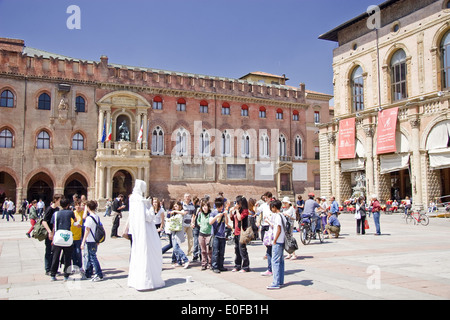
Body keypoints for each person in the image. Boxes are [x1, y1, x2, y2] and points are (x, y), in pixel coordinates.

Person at [127, 180, 165, 291]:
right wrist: (149, 206)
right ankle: (147, 281)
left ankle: (136, 280)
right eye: (144, 187)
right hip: (147, 232)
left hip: (137, 233)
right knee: (150, 253)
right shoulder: (141, 200)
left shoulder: (133, 199)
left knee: (138, 254)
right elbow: (148, 218)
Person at [49, 197, 76, 281]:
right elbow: (75, 220)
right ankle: (66, 275)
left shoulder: (56, 214)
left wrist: (53, 237)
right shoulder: (70, 212)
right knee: (67, 257)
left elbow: (54, 226)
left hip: (58, 237)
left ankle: (53, 274)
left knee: (55, 257)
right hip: (67, 237)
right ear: (68, 205)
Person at [81, 200, 104, 282]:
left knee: (93, 258)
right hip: (95, 239)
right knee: (92, 257)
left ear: (88, 207)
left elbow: (87, 231)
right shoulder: (97, 216)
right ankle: (89, 273)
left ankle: (99, 274)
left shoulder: (89, 218)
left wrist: (83, 242)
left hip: (90, 240)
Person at [267, 199, 286, 290]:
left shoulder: (278, 216)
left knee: (275, 262)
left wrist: (274, 240)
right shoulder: (283, 215)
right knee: (281, 262)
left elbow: (278, 229)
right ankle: (280, 281)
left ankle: (275, 282)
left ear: (274, 207)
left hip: (277, 241)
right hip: (282, 241)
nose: (271, 209)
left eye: (272, 207)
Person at [42, 194, 63, 275]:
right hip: (50, 233)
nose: (61, 201)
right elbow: (44, 221)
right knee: (48, 251)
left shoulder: (57, 209)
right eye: (60, 199)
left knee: (55, 251)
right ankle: (48, 269)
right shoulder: (49, 209)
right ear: (56, 200)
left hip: (56, 233)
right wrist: (49, 232)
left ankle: (53, 268)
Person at [209, 197, 231, 273]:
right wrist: (217, 216)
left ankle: (221, 266)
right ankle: (214, 266)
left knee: (222, 252)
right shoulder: (213, 213)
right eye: (219, 206)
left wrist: (225, 215)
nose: (221, 208)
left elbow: (227, 223)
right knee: (215, 252)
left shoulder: (223, 212)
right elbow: (210, 222)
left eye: (221, 206)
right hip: (216, 235)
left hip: (222, 235)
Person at [230, 195, 250, 273]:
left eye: (238, 203)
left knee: (242, 250)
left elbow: (239, 218)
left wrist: (237, 210)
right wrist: (231, 211)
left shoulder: (245, 211)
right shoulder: (237, 210)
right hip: (236, 232)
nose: (236, 204)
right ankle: (237, 265)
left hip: (242, 233)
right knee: (237, 250)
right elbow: (232, 218)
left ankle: (245, 266)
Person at [170, 201, 190, 268]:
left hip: (179, 232)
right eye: (175, 206)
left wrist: (175, 211)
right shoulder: (173, 213)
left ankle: (186, 260)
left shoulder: (181, 212)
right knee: (175, 247)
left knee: (176, 247)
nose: (177, 207)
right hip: (173, 232)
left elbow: (184, 213)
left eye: (178, 206)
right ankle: (178, 261)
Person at [197, 199, 212, 270]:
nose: (204, 207)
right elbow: (198, 220)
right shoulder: (200, 214)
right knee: (203, 250)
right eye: (203, 206)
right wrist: (200, 224)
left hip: (209, 234)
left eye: (206, 206)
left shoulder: (210, 214)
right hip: (201, 233)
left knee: (209, 250)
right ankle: (204, 263)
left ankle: (210, 263)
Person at [71, 200, 84, 271]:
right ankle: (74, 265)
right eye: (76, 205)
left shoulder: (83, 214)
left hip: (79, 236)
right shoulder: (72, 213)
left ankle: (80, 265)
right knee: (73, 252)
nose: (78, 206)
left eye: (79, 205)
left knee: (78, 252)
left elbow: (85, 224)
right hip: (72, 235)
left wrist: (81, 226)